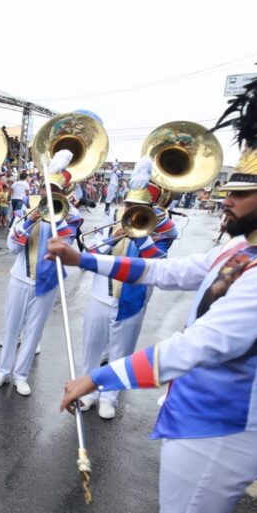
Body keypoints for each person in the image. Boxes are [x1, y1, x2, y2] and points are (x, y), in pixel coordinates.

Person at [52, 118, 257, 513]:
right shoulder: (247, 247)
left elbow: (202, 345)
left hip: (223, 431)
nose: (227, 200)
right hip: (204, 419)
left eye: (242, 192)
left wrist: (99, 377)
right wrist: (85, 258)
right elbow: (168, 273)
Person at [77, 158, 177, 420]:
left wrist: (142, 235)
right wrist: (115, 236)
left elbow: (158, 261)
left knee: (121, 354)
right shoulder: (112, 228)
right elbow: (90, 256)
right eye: (129, 207)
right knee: (91, 348)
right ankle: (87, 392)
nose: (132, 212)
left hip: (132, 301)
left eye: (139, 209)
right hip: (101, 296)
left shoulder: (160, 235)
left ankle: (110, 397)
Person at [0, 156, 77, 396]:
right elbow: (12, 247)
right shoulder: (26, 210)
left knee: (34, 330)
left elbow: (65, 245)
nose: (52, 193)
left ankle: (21, 375)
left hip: (46, 281)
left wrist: (60, 218)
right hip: (20, 276)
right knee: (11, 327)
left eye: (57, 190)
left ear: (64, 192)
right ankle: (3, 371)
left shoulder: (69, 217)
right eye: (50, 188)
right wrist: (29, 220)